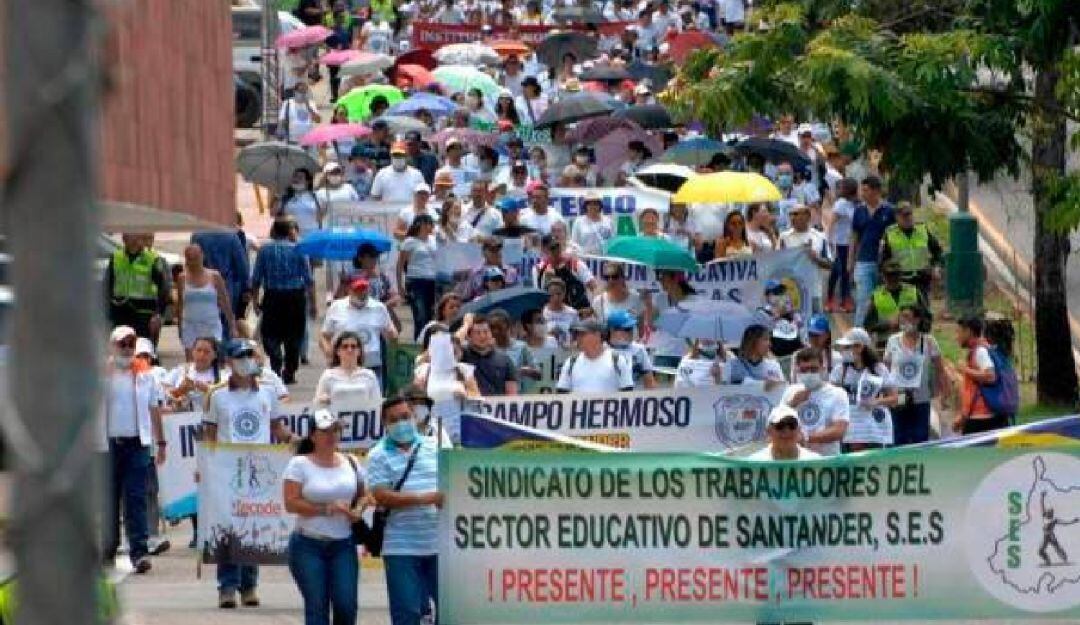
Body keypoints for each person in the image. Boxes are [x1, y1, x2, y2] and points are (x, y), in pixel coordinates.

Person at [204, 339, 288, 608]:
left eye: (249, 356)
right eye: (239, 357)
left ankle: (249, 585)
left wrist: (299, 443)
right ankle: (227, 586)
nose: (245, 361)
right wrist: (206, 468)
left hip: (260, 467)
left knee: (254, 526)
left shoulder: (268, 392)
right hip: (228, 469)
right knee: (228, 527)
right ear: (228, 362)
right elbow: (210, 435)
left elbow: (277, 428)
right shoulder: (216, 395)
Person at [283, 409, 365, 625]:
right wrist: (325, 508)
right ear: (312, 435)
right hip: (308, 544)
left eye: (336, 430)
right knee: (317, 608)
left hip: (343, 544)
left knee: (346, 606)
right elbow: (291, 503)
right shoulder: (299, 464)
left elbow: (365, 495)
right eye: (325, 431)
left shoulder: (351, 461)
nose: (332, 435)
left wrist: (358, 510)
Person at [368, 396, 444, 625]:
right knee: (407, 612)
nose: (401, 423)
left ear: (413, 416)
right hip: (401, 547)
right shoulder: (377, 455)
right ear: (385, 424)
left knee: (450, 608)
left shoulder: (435, 446)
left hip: (439, 543)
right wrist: (423, 498)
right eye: (394, 420)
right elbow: (381, 496)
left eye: (405, 417)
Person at [101, 326, 166, 574]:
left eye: (131, 344)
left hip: (137, 443)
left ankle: (138, 552)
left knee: (136, 498)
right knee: (109, 499)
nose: (127, 349)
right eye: (122, 344)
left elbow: (154, 409)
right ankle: (108, 548)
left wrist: (161, 442)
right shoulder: (100, 374)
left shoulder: (145, 375)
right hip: (107, 444)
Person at [252, 218, 316, 384]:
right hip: (295, 297)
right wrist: (313, 303)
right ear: (289, 232)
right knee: (294, 335)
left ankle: (276, 359)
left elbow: (256, 278)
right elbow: (309, 279)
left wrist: (254, 301)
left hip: (273, 297)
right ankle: (290, 370)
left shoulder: (264, 251)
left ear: (273, 232)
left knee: (270, 333)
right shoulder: (299, 250)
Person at [883, 305, 948, 445]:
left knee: (920, 437)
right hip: (899, 396)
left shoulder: (929, 342)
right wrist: (888, 394)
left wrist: (943, 394)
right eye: (901, 317)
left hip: (921, 397)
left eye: (907, 316)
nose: (903, 320)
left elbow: (940, 369)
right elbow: (885, 370)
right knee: (899, 435)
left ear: (917, 319)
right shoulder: (893, 341)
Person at [831, 327, 897, 450]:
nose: (843, 351)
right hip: (850, 428)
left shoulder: (879, 369)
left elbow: (894, 399)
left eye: (847, 347)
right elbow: (832, 397)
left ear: (859, 347)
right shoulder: (840, 370)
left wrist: (876, 402)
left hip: (873, 430)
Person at [321, 278, 399, 382]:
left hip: (371, 365)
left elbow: (391, 333)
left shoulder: (379, 308)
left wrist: (392, 337)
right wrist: (329, 352)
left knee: (373, 397)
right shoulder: (336, 307)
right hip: (343, 365)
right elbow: (324, 336)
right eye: (357, 290)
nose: (361, 293)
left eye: (364, 290)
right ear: (349, 291)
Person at [105, 233, 170, 345]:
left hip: (144, 312)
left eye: (137, 236)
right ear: (124, 238)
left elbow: (163, 288)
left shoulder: (152, 259)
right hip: (120, 310)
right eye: (131, 236)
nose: (135, 240)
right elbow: (108, 285)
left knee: (143, 347)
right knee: (121, 347)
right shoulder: (116, 257)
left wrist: (159, 314)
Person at [782, 347, 850, 456]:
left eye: (813, 369)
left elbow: (839, 430)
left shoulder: (837, 393)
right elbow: (776, 424)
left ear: (822, 368)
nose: (809, 373)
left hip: (826, 460)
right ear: (798, 370)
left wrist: (806, 438)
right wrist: (792, 404)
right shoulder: (791, 391)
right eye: (804, 370)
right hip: (795, 459)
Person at [849, 175, 895, 325]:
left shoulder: (889, 211)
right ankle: (859, 334)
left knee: (883, 300)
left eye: (866, 190)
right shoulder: (859, 211)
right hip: (863, 260)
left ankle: (881, 333)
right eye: (862, 190)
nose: (862, 193)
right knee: (863, 300)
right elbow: (854, 237)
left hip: (884, 263)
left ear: (876, 191)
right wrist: (851, 262)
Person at [177, 244, 238, 356]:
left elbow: (225, 301)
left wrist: (232, 325)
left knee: (211, 359)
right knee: (191, 363)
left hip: (210, 325)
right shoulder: (182, 278)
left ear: (202, 256)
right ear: (186, 260)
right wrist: (180, 327)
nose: (193, 262)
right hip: (190, 326)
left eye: (196, 257)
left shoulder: (215, 276)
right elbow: (180, 304)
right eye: (190, 258)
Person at [190, 230, 251, 339]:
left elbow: (191, 263)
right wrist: (246, 288)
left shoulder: (197, 236)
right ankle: (222, 351)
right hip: (227, 288)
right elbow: (242, 266)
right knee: (226, 325)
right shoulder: (232, 237)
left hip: (203, 286)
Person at [880, 201, 944, 300]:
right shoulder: (889, 234)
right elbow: (883, 260)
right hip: (901, 281)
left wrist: (936, 267)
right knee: (905, 312)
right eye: (904, 215)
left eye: (910, 214)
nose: (908, 218)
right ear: (897, 217)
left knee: (923, 311)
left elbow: (937, 251)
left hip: (922, 279)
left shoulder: (922, 229)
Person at [954, 315, 1005, 435]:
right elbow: (973, 390)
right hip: (978, 415)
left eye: (958, 332)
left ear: (968, 332)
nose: (956, 337)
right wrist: (963, 417)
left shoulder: (980, 352)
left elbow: (990, 376)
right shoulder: (977, 351)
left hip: (982, 419)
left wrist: (965, 369)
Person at [556, 319, 634, 393]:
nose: (578, 338)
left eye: (582, 334)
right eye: (577, 335)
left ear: (597, 335)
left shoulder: (617, 360)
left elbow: (628, 393)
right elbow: (562, 392)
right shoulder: (571, 362)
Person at [863, 259, 929, 346]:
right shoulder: (876, 296)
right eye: (889, 276)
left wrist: (912, 323)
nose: (892, 279)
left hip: (912, 342)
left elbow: (927, 320)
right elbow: (868, 325)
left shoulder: (913, 292)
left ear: (900, 276)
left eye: (895, 275)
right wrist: (887, 324)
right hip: (886, 344)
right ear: (883, 276)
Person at [397, 214, 439, 340]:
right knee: (420, 315)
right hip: (416, 281)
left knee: (432, 315)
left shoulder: (433, 240)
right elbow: (400, 264)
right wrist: (400, 285)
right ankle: (419, 343)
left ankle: (431, 343)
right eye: (428, 223)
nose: (431, 226)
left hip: (432, 280)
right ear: (421, 225)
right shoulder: (409, 242)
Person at [314, 330, 382, 406]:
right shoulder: (328, 375)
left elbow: (377, 404)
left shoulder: (369, 375)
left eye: (353, 346)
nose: (349, 350)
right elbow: (316, 404)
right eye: (345, 346)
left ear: (359, 351)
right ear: (338, 351)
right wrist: (323, 400)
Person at [459, 314, 519, 396]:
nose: (482, 336)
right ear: (469, 336)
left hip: (496, 407)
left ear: (491, 334)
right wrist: (466, 326)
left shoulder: (505, 359)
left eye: (486, 332)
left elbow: (512, 395)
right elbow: (450, 346)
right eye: (477, 333)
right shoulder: (461, 355)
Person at [535, 235, 597, 311]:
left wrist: (592, 308)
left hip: (578, 311)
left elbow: (594, 287)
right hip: (555, 313)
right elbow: (539, 296)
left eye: (558, 246)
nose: (556, 251)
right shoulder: (540, 269)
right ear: (544, 250)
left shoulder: (576, 264)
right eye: (552, 248)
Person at [826, 176, 857, 313]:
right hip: (840, 243)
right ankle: (831, 298)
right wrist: (829, 241)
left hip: (851, 244)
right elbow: (831, 223)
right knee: (838, 271)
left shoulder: (855, 204)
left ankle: (845, 299)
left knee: (847, 272)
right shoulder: (841, 204)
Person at [717, 324, 786, 385]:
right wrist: (717, 377)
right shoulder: (732, 365)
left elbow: (784, 391)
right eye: (765, 339)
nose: (770, 344)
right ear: (752, 341)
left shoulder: (774, 366)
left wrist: (777, 383)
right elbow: (722, 392)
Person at [747, 406, 822, 461]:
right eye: (780, 426)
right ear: (769, 431)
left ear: (799, 430)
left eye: (792, 425)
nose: (787, 431)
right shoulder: (754, 462)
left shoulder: (815, 462)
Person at [606, 310, 658, 389]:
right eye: (627, 329)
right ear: (612, 330)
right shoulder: (601, 350)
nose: (631, 332)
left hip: (633, 397)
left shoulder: (639, 350)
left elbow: (649, 382)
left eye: (631, 328)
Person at [279, 169, 322, 235]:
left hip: (312, 235)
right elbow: (277, 215)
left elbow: (321, 218)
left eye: (300, 177)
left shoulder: (315, 196)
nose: (296, 180)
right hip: (292, 236)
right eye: (295, 176)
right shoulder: (285, 198)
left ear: (308, 181)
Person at [279, 81, 322, 146]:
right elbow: (282, 120)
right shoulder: (287, 103)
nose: (303, 94)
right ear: (295, 92)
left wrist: (309, 107)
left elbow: (318, 120)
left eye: (305, 92)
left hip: (308, 140)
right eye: (300, 91)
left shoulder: (311, 103)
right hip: (292, 140)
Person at [541, 278, 581, 346]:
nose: (556, 298)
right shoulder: (541, 313)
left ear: (564, 293)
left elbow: (578, 335)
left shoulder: (572, 313)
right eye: (552, 294)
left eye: (559, 294)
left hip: (567, 351)